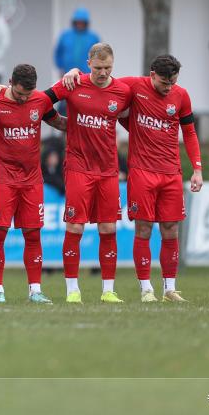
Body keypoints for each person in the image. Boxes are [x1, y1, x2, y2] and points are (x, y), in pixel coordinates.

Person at [62, 55, 204, 302]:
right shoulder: (133, 87)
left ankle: (170, 288)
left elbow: (189, 132)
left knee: (171, 229)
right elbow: (101, 84)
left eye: (172, 82)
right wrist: (75, 70)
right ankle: (146, 288)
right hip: (141, 171)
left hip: (171, 173)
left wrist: (197, 168)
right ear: (152, 75)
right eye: (163, 82)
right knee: (144, 227)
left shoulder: (181, 96)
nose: (168, 87)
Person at [42, 43, 131, 304]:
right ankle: (72, 290)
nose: (103, 72)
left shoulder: (123, 90)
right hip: (79, 167)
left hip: (108, 170)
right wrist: (59, 122)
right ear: (88, 63)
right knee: (75, 226)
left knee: (107, 227)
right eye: (99, 67)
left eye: (108, 68)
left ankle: (108, 290)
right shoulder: (74, 83)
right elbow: (43, 101)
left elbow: (137, 108)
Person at [0, 64, 66, 303]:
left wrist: (88, 124)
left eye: (28, 94)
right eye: (20, 93)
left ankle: (35, 290)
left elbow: (58, 122)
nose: (24, 99)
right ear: (11, 82)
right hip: (2, 178)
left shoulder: (40, 100)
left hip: (32, 180)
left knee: (33, 234)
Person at [53, 7, 100, 76]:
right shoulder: (65, 35)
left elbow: (98, 56)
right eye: (78, 22)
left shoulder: (93, 37)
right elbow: (58, 53)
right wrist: (60, 67)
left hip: (87, 74)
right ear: (74, 22)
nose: (80, 24)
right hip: (67, 73)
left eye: (82, 22)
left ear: (86, 23)